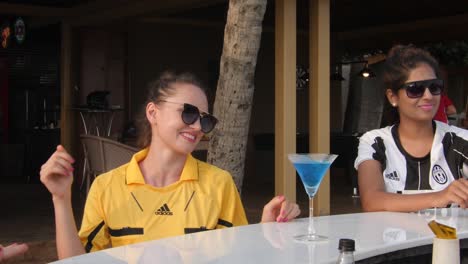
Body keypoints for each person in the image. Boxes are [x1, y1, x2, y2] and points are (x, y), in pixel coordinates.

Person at [40, 71, 300, 259]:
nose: (198, 127)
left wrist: (264, 233)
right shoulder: (107, 187)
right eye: (188, 113)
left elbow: (240, 257)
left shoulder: (218, 184)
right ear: (153, 113)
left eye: (205, 120)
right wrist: (60, 199)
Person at [355, 44, 468, 212]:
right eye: (415, 89)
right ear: (393, 97)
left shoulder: (461, 140)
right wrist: (440, 196)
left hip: (451, 239)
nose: (428, 96)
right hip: (394, 238)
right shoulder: (376, 142)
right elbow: (372, 201)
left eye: (434, 87)